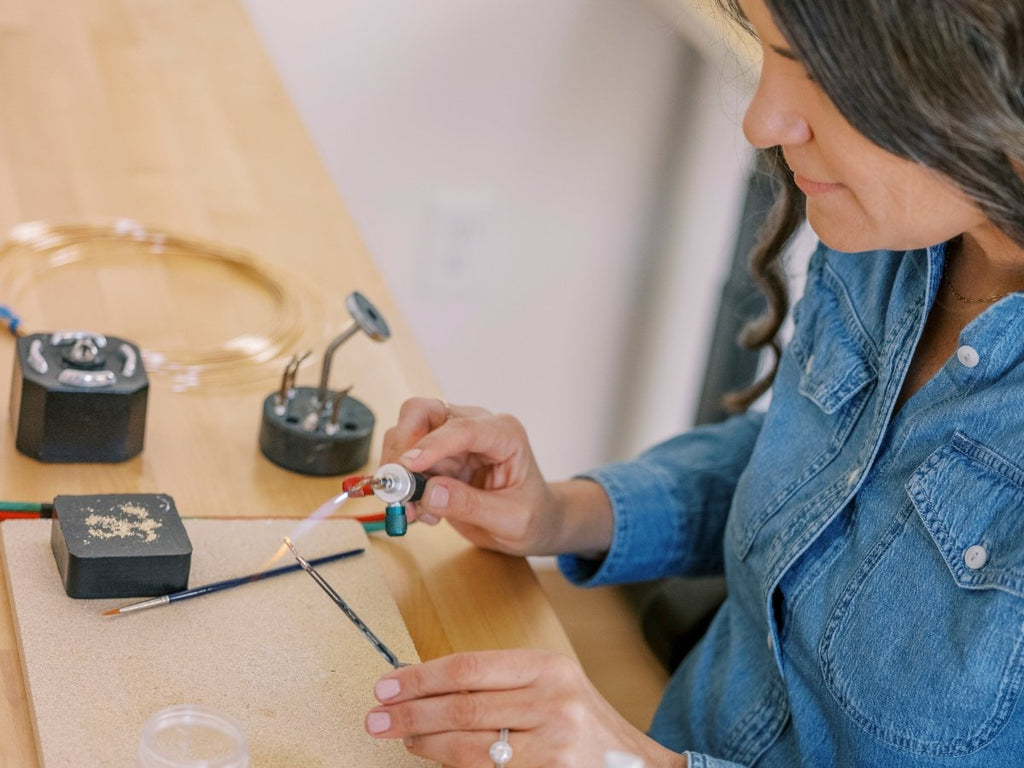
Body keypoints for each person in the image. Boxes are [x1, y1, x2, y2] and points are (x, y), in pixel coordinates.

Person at [363, 0, 1024, 764]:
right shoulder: (900, 234)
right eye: (769, 54)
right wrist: (559, 512)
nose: (762, 121)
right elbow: (826, 471)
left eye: (824, 76)